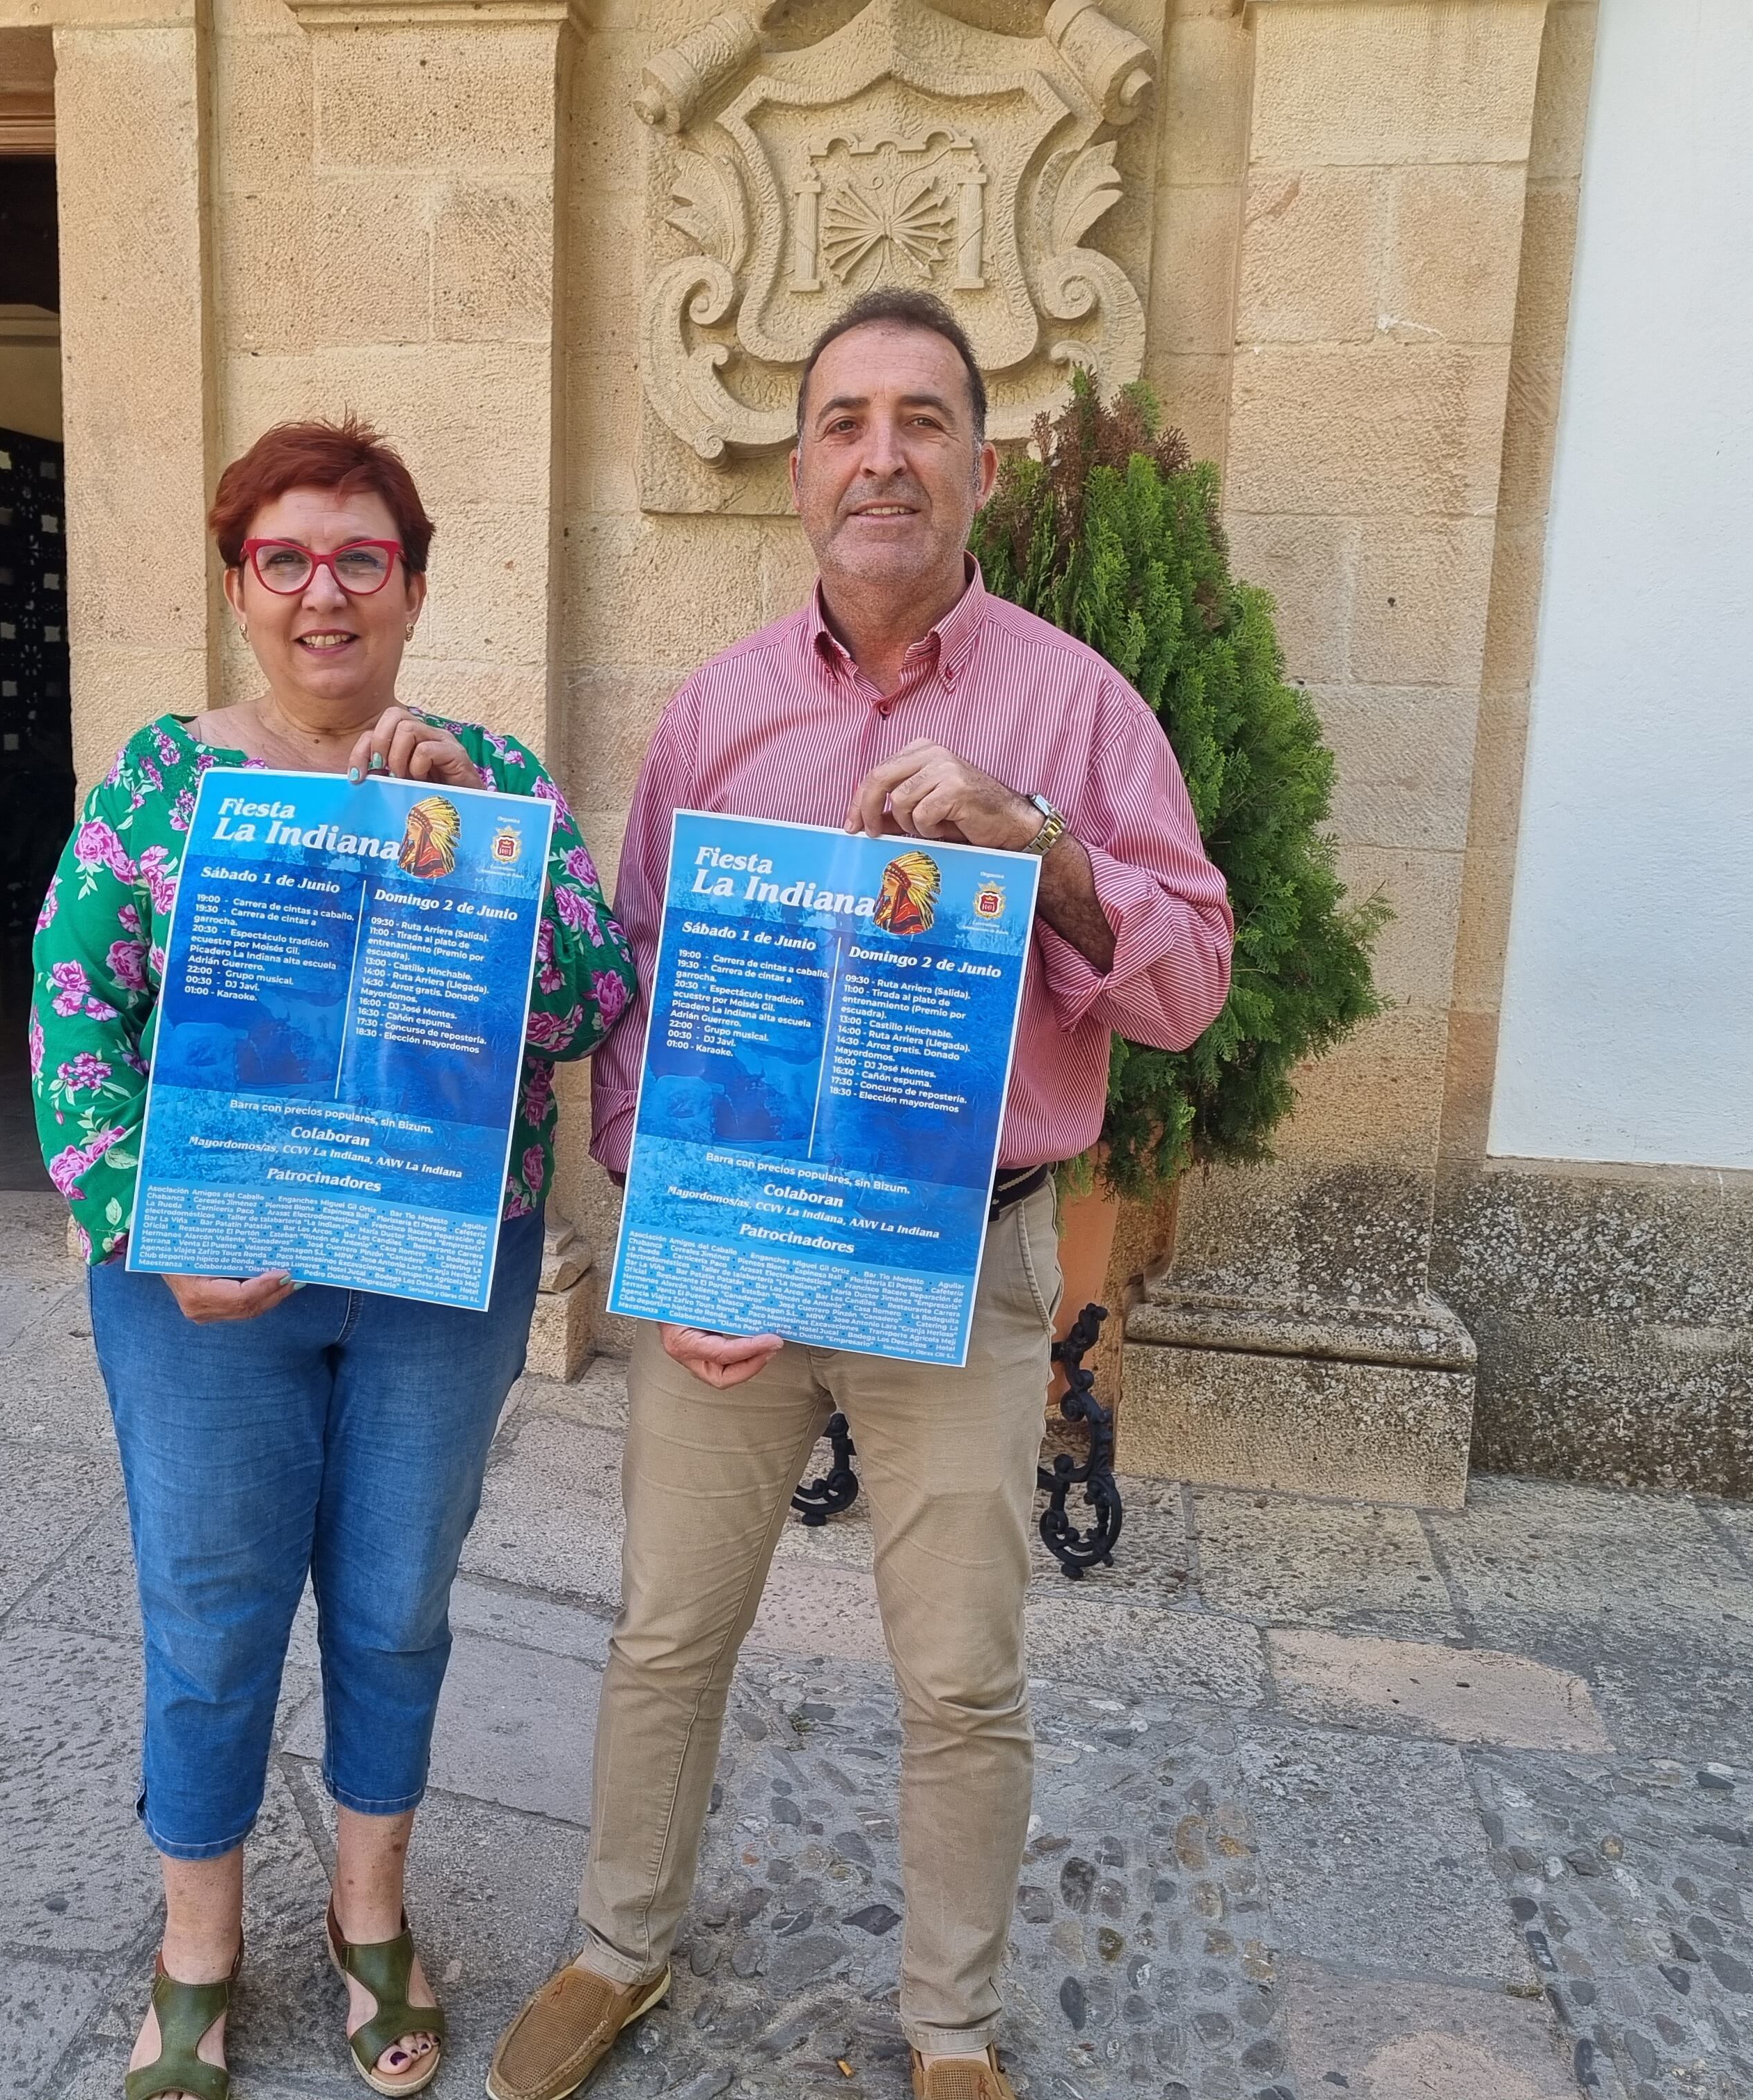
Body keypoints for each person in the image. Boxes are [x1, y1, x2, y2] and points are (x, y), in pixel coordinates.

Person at [486, 291, 1235, 2100]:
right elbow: (648, 989)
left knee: (963, 1675)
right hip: (732, 1266)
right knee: (670, 1629)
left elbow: (1193, 976)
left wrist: (1037, 844)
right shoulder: (721, 713)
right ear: (800, 466)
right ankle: (619, 1948)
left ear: (978, 462)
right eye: (843, 422)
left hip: (961, 1263)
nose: (881, 454)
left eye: (920, 420)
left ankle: (953, 2033)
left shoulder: (1071, 701)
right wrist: (665, 1241)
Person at [31, 416, 640, 2100]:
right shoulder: (165, 780)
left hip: (440, 1276)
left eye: (361, 558)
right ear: (242, 587)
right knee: (215, 1608)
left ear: (416, 588)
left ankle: (372, 1917)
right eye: (286, 559)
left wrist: (490, 868)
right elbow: (74, 1011)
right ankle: (197, 1944)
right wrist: (145, 1224)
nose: (324, 594)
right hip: (206, 1284)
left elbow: (594, 1006)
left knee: (393, 1604)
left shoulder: (495, 782)